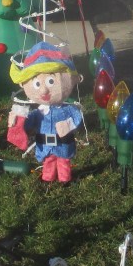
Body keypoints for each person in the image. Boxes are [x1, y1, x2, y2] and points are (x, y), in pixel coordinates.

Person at [7, 43, 84, 185]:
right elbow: (29, 124)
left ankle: (65, 179)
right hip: (45, 144)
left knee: (63, 161)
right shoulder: (39, 112)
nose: (44, 91)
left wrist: (68, 125)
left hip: (63, 143)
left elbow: (77, 116)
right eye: (37, 84)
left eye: (50, 81)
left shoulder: (67, 109)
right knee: (48, 160)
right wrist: (18, 121)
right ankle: (48, 178)